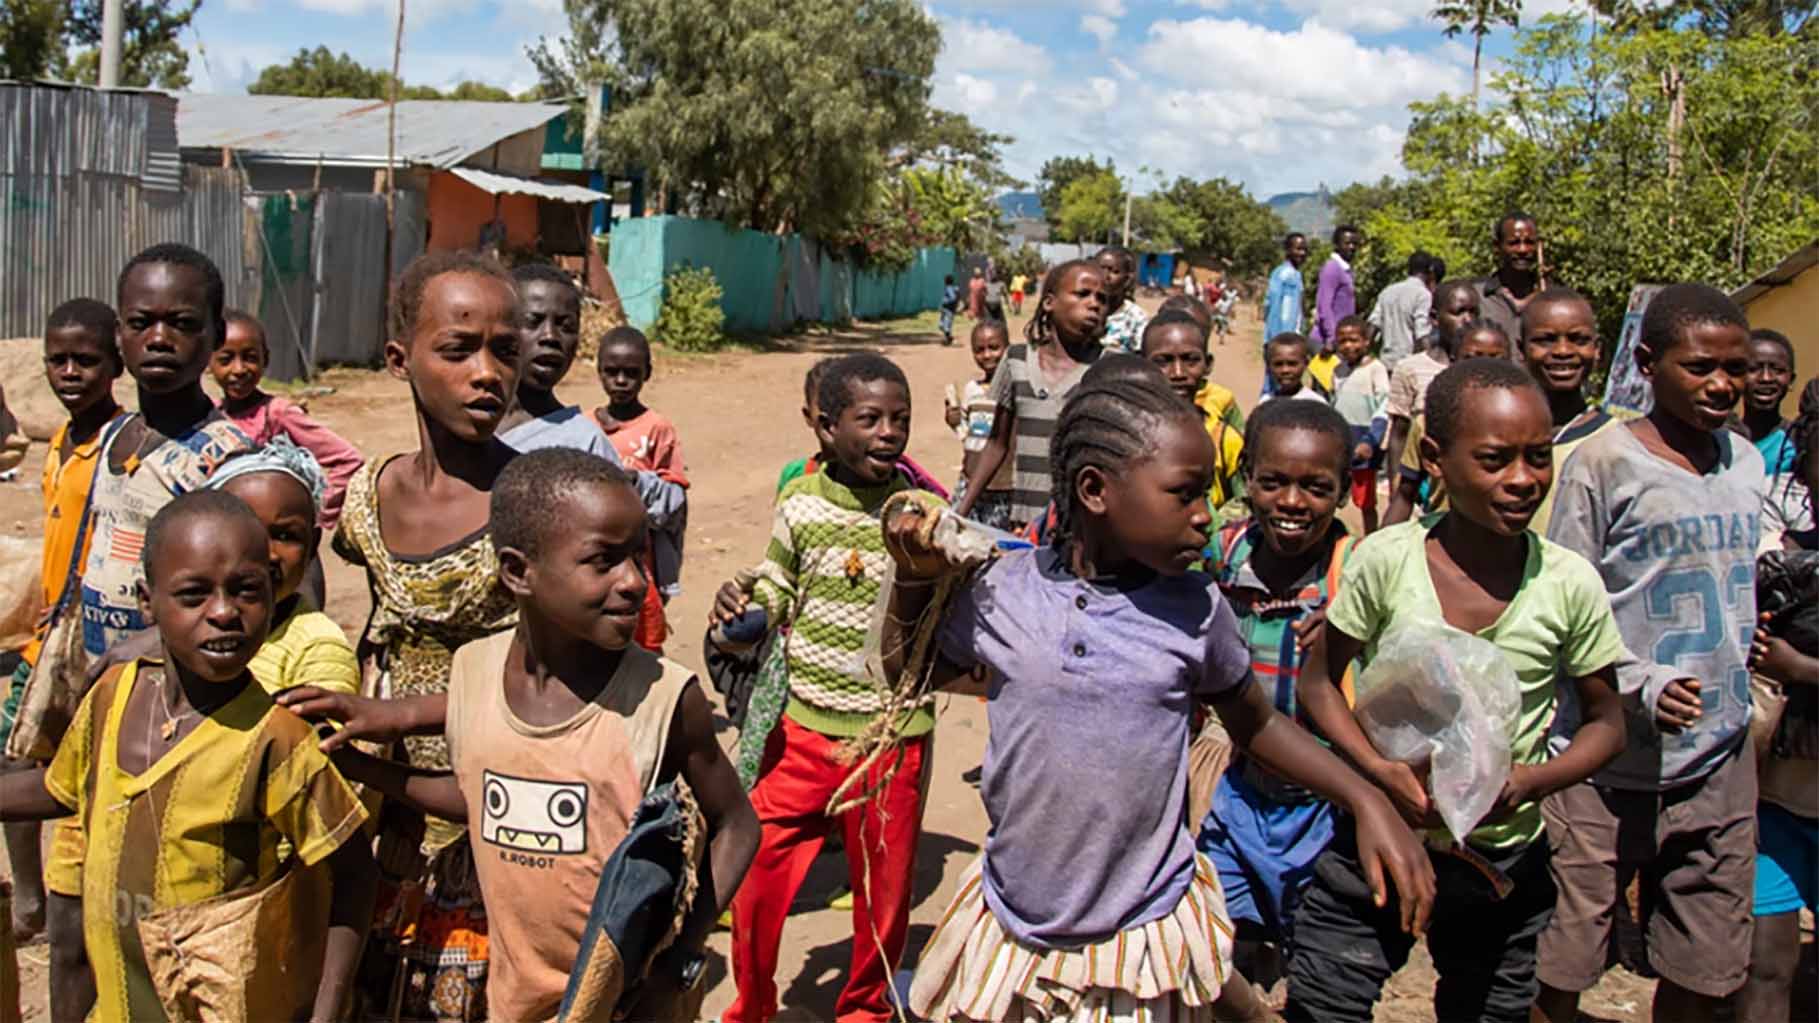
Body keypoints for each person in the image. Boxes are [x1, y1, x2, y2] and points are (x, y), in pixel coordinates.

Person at [887, 366, 1434, 1023]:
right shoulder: (1004, 590)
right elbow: (905, 672)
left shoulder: (1197, 608)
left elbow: (1253, 723)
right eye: (1184, 494)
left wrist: (1362, 793)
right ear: (1095, 490)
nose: (1205, 517)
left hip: (1139, 927)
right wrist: (911, 580)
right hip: (1017, 915)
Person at [285, 449, 761, 1022]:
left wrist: (682, 958)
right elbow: (483, 797)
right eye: (603, 561)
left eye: (637, 557)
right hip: (516, 1000)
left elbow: (737, 824)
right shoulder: (475, 671)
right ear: (517, 572)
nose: (635, 582)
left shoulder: (664, 698)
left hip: (631, 1003)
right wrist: (365, 767)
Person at [1288, 358, 1629, 1023]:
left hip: (1499, 855)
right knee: (1325, 999)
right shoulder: (1387, 558)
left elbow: (1606, 724)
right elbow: (1319, 683)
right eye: (1496, 459)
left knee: (1490, 1008)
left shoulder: (1567, 582)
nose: (1523, 479)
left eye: (1537, 457)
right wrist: (1379, 773)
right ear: (1437, 460)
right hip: (1382, 836)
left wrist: (1531, 780)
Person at [0, 490, 375, 1023]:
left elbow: (355, 871)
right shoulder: (114, 695)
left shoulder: (275, 739)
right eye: (194, 594)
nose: (224, 612)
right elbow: (60, 789)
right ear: (148, 602)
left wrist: (326, 1010)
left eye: (247, 591)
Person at [1536, 283, 1765, 1023]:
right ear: (1646, 363)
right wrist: (1636, 681)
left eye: (1733, 367)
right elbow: (1566, 602)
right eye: (1699, 367)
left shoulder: (1745, 462)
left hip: (1718, 753)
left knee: (1704, 965)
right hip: (1603, 757)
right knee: (1562, 954)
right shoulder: (1602, 463)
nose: (1722, 384)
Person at [715, 353, 936, 1023]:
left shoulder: (920, 512)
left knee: (884, 890)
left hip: (888, 739)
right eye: (868, 419)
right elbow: (780, 584)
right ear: (826, 428)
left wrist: (929, 556)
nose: (887, 433)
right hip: (804, 731)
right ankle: (752, 1003)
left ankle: (863, 1008)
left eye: (899, 418)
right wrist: (747, 606)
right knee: (757, 876)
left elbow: (946, 605)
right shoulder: (801, 503)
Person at [333, 249, 524, 1021]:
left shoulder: (533, 501)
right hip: (386, 807)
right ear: (398, 358)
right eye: (459, 349)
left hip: (492, 803)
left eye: (505, 351)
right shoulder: (367, 494)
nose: (488, 373)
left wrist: (398, 715)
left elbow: (544, 680)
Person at [1197, 398, 1361, 993]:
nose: (1292, 503)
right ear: (1247, 482)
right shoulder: (1225, 549)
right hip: (1236, 792)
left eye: (1316, 488)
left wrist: (1354, 633)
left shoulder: (1356, 575)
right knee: (1222, 954)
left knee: (1316, 960)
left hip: (1325, 805)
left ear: (1343, 492)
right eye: (1273, 483)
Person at [0, 299, 122, 966]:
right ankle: (33, 897)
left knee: (53, 768)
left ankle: (62, 900)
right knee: (20, 754)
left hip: (90, 636)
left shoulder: (119, 445)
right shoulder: (60, 442)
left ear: (116, 363)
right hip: (46, 636)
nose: (70, 371)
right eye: (58, 359)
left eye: (86, 359)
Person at [500, 264, 678, 651]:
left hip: (547, 640)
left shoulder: (582, 441)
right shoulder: (471, 423)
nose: (550, 337)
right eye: (533, 321)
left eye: (565, 325)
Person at [1735, 405, 1817, 1023]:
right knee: (1766, 966)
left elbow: (1780, 664)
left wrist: (1801, 669)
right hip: (1777, 802)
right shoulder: (1777, 559)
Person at [955, 260, 1109, 530]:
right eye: (1082, 294)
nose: (1094, 303)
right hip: (1025, 523)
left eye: (1102, 298)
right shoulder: (1016, 361)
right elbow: (996, 445)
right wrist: (962, 511)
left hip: (1082, 526)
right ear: (1050, 302)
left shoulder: (1109, 368)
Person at [207, 440, 359, 698]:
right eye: (247, 532)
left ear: (312, 547)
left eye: (286, 536)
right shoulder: (193, 626)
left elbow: (318, 737)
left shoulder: (318, 649)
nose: (269, 553)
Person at [213, 309, 365, 530]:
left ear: (266, 359)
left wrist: (315, 511)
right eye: (226, 360)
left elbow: (347, 460)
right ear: (208, 362)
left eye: (250, 358)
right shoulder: (210, 416)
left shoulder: (277, 413)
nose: (239, 369)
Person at [1383, 320, 1514, 526]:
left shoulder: (1521, 424)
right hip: (1440, 536)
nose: (1484, 370)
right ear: (1453, 362)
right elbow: (1405, 495)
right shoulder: (1428, 421)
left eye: (1496, 361)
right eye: (1472, 359)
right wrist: (1379, 546)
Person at [596, 325, 690, 606]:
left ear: (647, 373)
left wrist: (637, 481)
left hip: (642, 549)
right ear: (599, 371)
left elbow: (673, 496)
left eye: (631, 373)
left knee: (639, 614)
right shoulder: (587, 426)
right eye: (612, 372)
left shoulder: (657, 428)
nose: (621, 381)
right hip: (598, 541)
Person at [1142, 311, 1246, 525]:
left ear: (1208, 365)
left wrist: (1217, 526)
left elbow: (1246, 500)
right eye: (1163, 361)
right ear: (1142, 364)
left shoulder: (1223, 438)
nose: (1178, 372)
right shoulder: (1129, 435)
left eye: (1191, 360)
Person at [1383, 279, 1480, 478]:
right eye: (1458, 312)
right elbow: (1399, 436)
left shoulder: (1486, 368)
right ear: (1435, 318)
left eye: (1473, 312)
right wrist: (1396, 489)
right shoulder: (1410, 369)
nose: (1468, 320)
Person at [950, 320, 1016, 530]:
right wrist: (955, 423)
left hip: (1001, 486)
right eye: (979, 350)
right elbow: (970, 437)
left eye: (994, 347)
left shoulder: (1015, 391)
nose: (987, 355)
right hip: (969, 481)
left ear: (1007, 347)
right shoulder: (972, 390)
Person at [1331, 315, 1391, 533]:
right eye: (1342, 341)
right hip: (1340, 440)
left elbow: (1384, 406)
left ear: (1367, 341)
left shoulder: (1376, 370)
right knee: (1332, 491)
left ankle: (1370, 538)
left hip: (1364, 440)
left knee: (1365, 499)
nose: (1348, 346)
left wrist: (1371, 440)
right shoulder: (1338, 371)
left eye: (1354, 340)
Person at [1729, 327, 1798, 484]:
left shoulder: (1798, 442)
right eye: (1753, 369)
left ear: (1791, 380)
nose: (1766, 378)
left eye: (1778, 370)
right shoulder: (1721, 441)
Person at [1475, 212, 1547, 343]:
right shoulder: (1477, 297)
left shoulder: (1550, 297)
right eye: (1514, 243)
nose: (1522, 250)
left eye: (1529, 242)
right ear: (1497, 247)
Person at [1366, 251, 1437, 372]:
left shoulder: (1387, 291)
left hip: (1386, 363)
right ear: (1430, 271)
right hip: (1409, 366)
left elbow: (1373, 326)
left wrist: (1364, 357)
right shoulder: (1422, 294)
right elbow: (1421, 332)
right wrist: (1432, 365)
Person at [1265, 233, 1311, 388]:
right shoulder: (1284, 274)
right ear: (1287, 250)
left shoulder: (1296, 275)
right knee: (1276, 386)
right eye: (1297, 249)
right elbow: (1274, 309)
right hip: (1282, 340)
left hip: (1292, 339)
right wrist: (1273, 341)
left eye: (1304, 249)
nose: (1302, 253)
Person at [1312, 225, 1361, 353]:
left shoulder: (1346, 270)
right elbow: (1324, 305)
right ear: (1336, 244)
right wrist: (1331, 337)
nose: (1352, 247)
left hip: (1341, 339)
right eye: (1347, 243)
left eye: (1355, 243)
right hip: (1328, 342)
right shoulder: (1332, 268)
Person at [1097, 246, 1149, 353]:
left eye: (1114, 271)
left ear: (1127, 280)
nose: (1105, 276)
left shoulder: (1136, 318)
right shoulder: (1082, 309)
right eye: (1099, 269)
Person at [1261, 333, 1327, 405]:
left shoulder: (1316, 403)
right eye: (1278, 364)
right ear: (1268, 366)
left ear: (1306, 364)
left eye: (1292, 364)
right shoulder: (1265, 403)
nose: (1285, 370)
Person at [940, 274, 960, 345]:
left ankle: (949, 339)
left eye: (945, 280)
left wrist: (945, 302)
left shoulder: (949, 288)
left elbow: (953, 298)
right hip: (947, 309)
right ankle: (948, 338)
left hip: (948, 309)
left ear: (946, 281)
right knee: (943, 325)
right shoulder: (952, 288)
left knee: (945, 325)